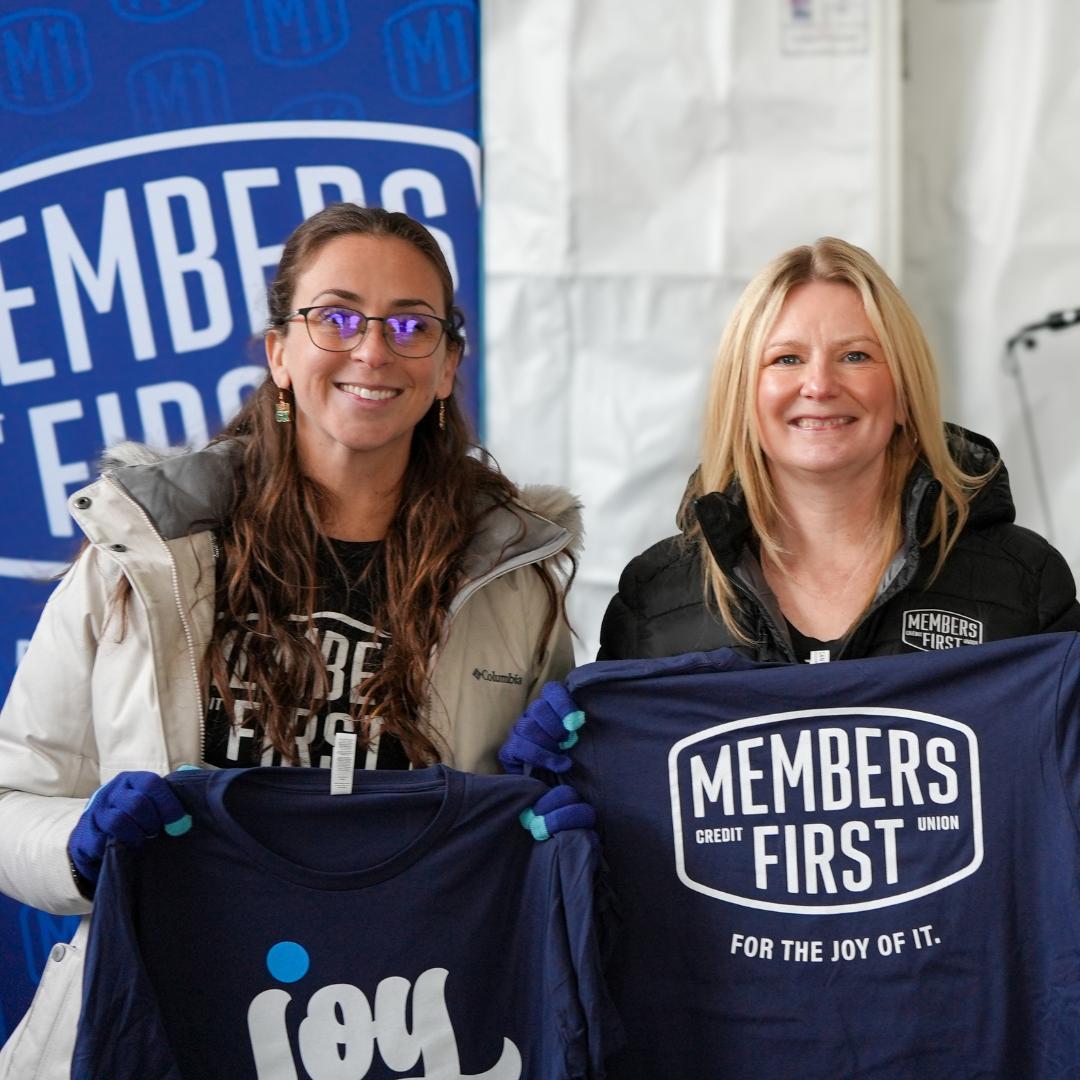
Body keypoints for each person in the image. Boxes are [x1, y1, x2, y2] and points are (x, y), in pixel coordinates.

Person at [0, 205, 580, 1078]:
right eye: (336, 317)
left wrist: (564, 818)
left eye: (410, 326)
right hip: (166, 1017)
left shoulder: (512, 583)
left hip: (405, 1028)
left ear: (447, 367)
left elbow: (534, 817)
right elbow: (11, 798)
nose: (372, 350)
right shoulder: (144, 556)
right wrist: (81, 842)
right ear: (279, 352)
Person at [598, 237, 1080, 664]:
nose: (820, 385)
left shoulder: (1024, 582)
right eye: (786, 358)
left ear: (904, 393)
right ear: (742, 397)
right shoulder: (653, 599)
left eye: (855, 355)